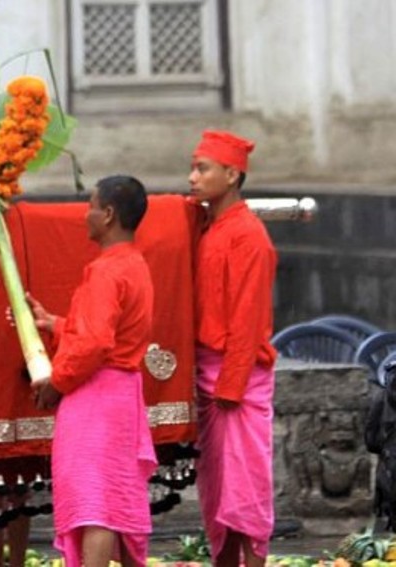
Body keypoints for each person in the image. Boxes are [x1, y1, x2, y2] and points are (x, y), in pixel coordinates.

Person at [29, 175, 157, 567]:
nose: (86, 215)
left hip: (96, 398)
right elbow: (104, 335)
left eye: (91, 206)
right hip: (121, 395)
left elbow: (96, 343)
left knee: (93, 505)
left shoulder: (105, 271)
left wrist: (58, 381)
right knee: (112, 499)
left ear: (109, 215)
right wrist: (55, 324)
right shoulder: (134, 264)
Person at [188, 130, 276, 567]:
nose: (193, 177)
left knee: (244, 487)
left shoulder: (249, 236)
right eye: (193, 167)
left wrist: (231, 384)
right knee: (217, 486)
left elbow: (248, 318)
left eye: (202, 168)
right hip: (209, 371)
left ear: (231, 173)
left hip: (234, 379)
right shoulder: (206, 224)